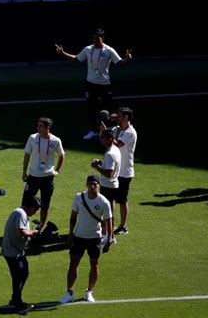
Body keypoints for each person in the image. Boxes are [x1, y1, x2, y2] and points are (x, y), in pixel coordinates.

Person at [55, 28, 132, 140]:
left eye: (98, 38)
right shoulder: (88, 49)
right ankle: (94, 131)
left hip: (105, 85)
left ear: (103, 38)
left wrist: (127, 59)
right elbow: (76, 59)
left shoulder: (109, 50)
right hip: (91, 84)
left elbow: (120, 62)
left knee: (105, 111)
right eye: (94, 38)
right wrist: (63, 53)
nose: (95, 40)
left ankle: (110, 131)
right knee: (91, 109)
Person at [58, 175, 114, 304]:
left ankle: (89, 292)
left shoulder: (104, 202)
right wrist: (70, 235)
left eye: (95, 184)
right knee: (73, 263)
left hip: (94, 238)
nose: (93, 186)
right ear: (86, 185)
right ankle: (69, 292)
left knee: (94, 264)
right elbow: (73, 217)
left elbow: (109, 221)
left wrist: (109, 240)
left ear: (99, 185)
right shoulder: (78, 197)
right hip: (78, 237)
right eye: (90, 184)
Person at [22, 117, 65, 233]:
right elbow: (27, 155)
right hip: (33, 176)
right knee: (25, 203)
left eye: (41, 126)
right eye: (38, 125)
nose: (38, 128)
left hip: (47, 178)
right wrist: (24, 171)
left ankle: (40, 228)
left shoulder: (56, 140)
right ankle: (23, 227)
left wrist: (57, 170)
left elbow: (62, 155)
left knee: (45, 205)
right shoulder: (32, 138)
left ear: (47, 127)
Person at [1, 196, 41, 311]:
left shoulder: (20, 213)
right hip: (12, 252)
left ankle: (15, 299)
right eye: (35, 209)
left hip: (14, 250)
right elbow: (20, 232)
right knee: (20, 275)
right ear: (30, 207)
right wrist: (34, 232)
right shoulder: (20, 214)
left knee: (21, 274)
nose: (36, 212)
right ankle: (17, 302)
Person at [106, 107, 137, 235]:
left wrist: (107, 133)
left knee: (122, 200)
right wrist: (105, 121)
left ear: (125, 117)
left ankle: (123, 226)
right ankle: (110, 224)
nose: (116, 116)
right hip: (115, 170)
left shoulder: (130, 132)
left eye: (119, 115)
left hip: (125, 172)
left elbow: (117, 144)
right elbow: (105, 136)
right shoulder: (116, 129)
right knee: (111, 198)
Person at [90, 128, 121, 240]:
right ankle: (109, 235)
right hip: (113, 185)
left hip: (107, 186)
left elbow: (109, 173)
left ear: (110, 139)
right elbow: (110, 166)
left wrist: (96, 166)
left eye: (103, 137)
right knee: (109, 211)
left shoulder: (110, 153)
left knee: (105, 213)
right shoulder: (115, 149)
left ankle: (108, 236)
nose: (100, 139)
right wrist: (101, 163)